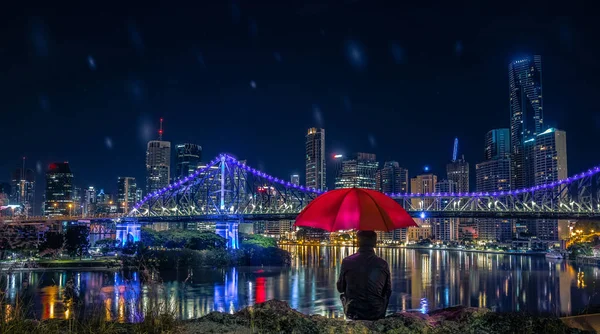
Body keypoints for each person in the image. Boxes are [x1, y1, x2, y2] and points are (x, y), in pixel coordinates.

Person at [336, 230, 391, 320]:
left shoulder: (347, 261)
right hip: (376, 312)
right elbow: (387, 291)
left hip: (353, 312)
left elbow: (340, 288)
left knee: (343, 296)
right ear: (375, 243)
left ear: (358, 242)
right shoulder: (383, 263)